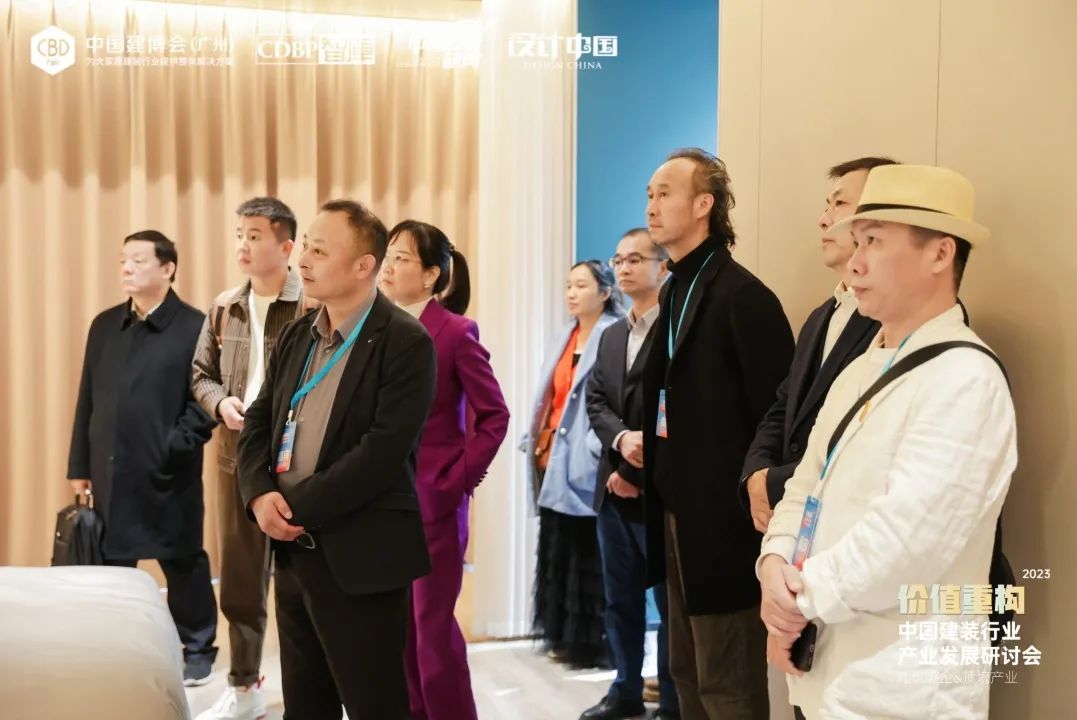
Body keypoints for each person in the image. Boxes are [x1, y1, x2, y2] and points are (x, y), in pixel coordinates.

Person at [758, 164, 1015, 719]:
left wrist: (795, 599)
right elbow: (806, 485)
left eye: (873, 241)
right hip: (822, 675)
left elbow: (906, 540)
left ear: (940, 253)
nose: (855, 262)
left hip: (903, 691)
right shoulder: (860, 369)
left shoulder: (965, 377)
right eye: (856, 242)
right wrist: (773, 561)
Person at [237, 199, 436, 719]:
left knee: (375, 705)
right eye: (306, 246)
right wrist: (259, 495)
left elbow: (382, 452)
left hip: (361, 554)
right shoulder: (298, 333)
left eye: (320, 251)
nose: (303, 260)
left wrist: (293, 507)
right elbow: (259, 421)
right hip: (293, 552)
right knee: (305, 705)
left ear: (364, 265)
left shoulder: (405, 341)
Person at [640, 148, 794, 719]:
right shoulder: (674, 289)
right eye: (649, 195)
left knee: (727, 684)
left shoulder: (741, 296)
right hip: (675, 510)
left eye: (664, 193)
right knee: (685, 672)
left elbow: (777, 417)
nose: (651, 206)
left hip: (726, 524)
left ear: (704, 204)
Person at [67, 229, 218, 685]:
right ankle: (115, 647)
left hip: (168, 472)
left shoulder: (195, 326)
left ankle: (197, 648)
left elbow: (206, 401)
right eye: (123, 260)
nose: (127, 268)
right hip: (109, 469)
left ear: (168, 268)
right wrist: (79, 465)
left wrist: (175, 445)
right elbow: (87, 398)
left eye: (138, 260)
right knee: (113, 566)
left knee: (183, 560)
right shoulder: (105, 324)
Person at [378, 220, 510, 720]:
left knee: (432, 636)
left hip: (433, 503)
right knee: (398, 634)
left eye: (401, 258)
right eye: (388, 256)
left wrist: (456, 481)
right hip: (381, 504)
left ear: (432, 274)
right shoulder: (375, 328)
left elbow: (494, 416)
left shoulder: (455, 332)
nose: (389, 267)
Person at [192, 197, 314, 719]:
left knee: (305, 579)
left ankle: (318, 689)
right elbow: (200, 374)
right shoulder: (225, 306)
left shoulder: (311, 304)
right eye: (240, 234)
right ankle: (245, 687)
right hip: (235, 458)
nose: (243, 244)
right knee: (241, 581)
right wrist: (221, 403)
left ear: (286, 246)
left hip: (298, 460)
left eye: (256, 235)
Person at [740, 158, 897, 534]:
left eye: (839, 203)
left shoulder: (897, 319)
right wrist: (756, 472)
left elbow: (870, 439)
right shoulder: (820, 317)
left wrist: (777, 482)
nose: (824, 220)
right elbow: (783, 406)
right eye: (827, 206)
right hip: (800, 517)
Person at [581, 229, 679, 720]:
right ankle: (625, 690)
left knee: (669, 605)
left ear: (663, 267)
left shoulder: (677, 331)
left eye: (636, 259)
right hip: (613, 490)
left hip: (660, 490)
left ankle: (673, 700)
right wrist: (621, 443)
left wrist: (635, 472)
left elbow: (673, 409)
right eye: (618, 260)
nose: (623, 268)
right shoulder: (612, 334)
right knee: (619, 600)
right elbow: (596, 400)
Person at [524, 260, 622, 668]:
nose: (571, 293)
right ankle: (561, 635)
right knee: (557, 548)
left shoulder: (614, 334)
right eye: (568, 285)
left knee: (588, 553)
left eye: (581, 285)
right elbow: (549, 395)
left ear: (605, 292)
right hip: (552, 457)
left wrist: (594, 448)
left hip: (587, 457)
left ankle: (591, 643)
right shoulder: (563, 336)